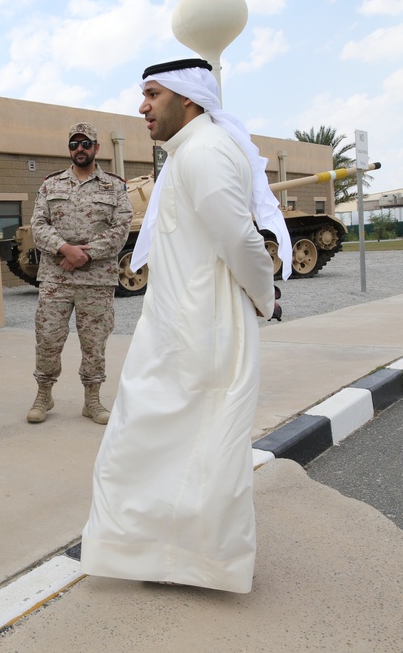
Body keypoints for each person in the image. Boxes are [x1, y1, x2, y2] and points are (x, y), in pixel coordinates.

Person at [81, 59, 281, 593]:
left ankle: (196, 562)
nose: (141, 106)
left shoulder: (208, 152)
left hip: (205, 332)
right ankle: (154, 556)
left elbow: (238, 239)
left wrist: (265, 297)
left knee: (204, 450)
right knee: (153, 442)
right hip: (176, 327)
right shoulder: (188, 153)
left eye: (151, 95)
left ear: (187, 99)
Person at [26, 122, 133, 425]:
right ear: (69, 149)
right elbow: (38, 225)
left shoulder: (114, 186)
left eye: (86, 143)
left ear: (97, 148)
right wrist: (64, 249)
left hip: (96, 280)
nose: (80, 149)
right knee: (47, 337)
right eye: (74, 144)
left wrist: (82, 254)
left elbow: (120, 229)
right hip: (55, 279)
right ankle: (43, 394)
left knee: (94, 341)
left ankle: (92, 400)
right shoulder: (51, 184)